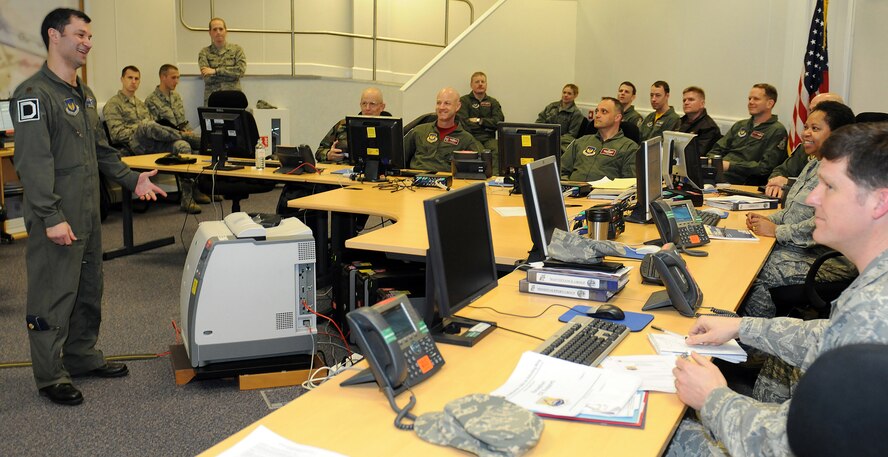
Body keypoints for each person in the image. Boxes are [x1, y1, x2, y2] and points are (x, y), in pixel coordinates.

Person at [666, 122, 888, 457]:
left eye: (829, 187)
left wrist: (714, 398)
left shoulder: (876, 308)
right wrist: (743, 326)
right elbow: (832, 339)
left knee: (658, 436)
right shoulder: (875, 285)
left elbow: (795, 446)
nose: (813, 198)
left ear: (879, 203)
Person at [12, 8, 167, 406]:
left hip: (87, 214)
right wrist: (50, 217)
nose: (87, 42)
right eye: (79, 35)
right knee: (52, 293)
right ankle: (50, 376)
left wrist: (133, 179)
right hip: (57, 217)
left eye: (90, 36)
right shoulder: (34, 95)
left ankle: (80, 356)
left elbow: (100, 150)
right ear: (54, 36)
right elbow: (33, 163)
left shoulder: (85, 93)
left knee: (87, 289)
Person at [740, 101, 856, 320]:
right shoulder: (814, 163)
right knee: (744, 258)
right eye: (806, 127)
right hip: (796, 249)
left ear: (838, 134)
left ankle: (758, 350)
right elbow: (790, 211)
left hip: (826, 260)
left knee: (753, 275)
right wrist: (764, 220)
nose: (806, 134)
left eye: (815, 128)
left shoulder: (845, 173)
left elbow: (825, 224)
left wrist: (776, 231)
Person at [103, 65, 203, 214]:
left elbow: (155, 129)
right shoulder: (113, 104)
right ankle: (194, 138)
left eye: (137, 78)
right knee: (146, 125)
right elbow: (116, 134)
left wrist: (148, 129)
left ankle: (187, 199)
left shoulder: (141, 105)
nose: (133, 82)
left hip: (151, 145)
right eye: (130, 78)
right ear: (122, 79)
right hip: (131, 147)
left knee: (182, 146)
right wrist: (140, 128)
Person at [764, 92, 845, 199]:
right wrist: (776, 184)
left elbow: (825, 189)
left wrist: (788, 183)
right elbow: (781, 171)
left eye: (818, 109)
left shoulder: (845, 156)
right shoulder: (806, 146)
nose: (812, 115)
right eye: (811, 110)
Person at [707, 83, 788, 185]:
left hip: (744, 180)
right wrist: (712, 161)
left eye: (756, 99)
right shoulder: (740, 125)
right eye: (749, 99)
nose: (751, 102)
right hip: (718, 173)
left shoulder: (777, 130)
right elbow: (717, 149)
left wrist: (730, 166)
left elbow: (765, 168)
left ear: (769, 103)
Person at [560, 97, 638, 182]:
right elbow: (561, 170)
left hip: (604, 193)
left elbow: (629, 182)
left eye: (604, 112)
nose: (597, 115)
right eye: (597, 111)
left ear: (617, 117)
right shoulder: (581, 142)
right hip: (572, 191)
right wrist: (566, 186)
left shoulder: (629, 148)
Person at [405, 87, 481, 172]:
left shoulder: (466, 140)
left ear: (457, 106)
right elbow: (397, 158)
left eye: (447, 103)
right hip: (414, 180)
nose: (441, 107)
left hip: (447, 182)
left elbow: (476, 170)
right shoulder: (419, 131)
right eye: (438, 103)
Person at [315, 87, 387, 163]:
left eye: (372, 104)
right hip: (341, 170)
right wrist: (328, 155)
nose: (367, 108)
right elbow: (319, 152)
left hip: (378, 171)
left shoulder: (389, 130)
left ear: (382, 107)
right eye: (364, 104)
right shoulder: (344, 125)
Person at [145, 63, 201, 150]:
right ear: (163, 77)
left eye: (178, 78)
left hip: (184, 135)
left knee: (208, 142)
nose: (177, 81)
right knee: (184, 146)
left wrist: (189, 132)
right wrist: (181, 134)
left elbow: (183, 122)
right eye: (173, 78)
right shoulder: (151, 101)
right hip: (167, 140)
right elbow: (157, 130)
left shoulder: (176, 97)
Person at [457, 72, 504, 167]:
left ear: (486, 85)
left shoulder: (493, 102)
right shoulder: (464, 101)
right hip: (471, 138)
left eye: (483, 81)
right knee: (479, 152)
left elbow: (499, 122)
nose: (480, 84)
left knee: (498, 150)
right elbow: (464, 123)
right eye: (477, 81)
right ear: (471, 85)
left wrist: (480, 121)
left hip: (489, 138)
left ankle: (494, 178)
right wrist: (488, 125)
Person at [198, 17, 246, 105]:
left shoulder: (237, 50)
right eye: (215, 29)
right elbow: (207, 78)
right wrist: (231, 74)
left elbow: (240, 71)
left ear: (226, 31)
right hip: (212, 99)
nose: (218, 32)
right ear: (210, 33)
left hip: (233, 98)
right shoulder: (204, 52)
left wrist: (215, 71)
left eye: (221, 29)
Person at [536, 83, 584, 153]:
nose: (565, 95)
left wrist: (554, 139)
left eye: (569, 93)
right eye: (564, 92)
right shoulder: (551, 106)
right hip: (545, 138)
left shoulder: (576, 114)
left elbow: (571, 135)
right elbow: (539, 122)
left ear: (575, 95)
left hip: (562, 143)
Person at [678, 86, 721, 156]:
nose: (686, 103)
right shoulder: (680, 121)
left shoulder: (709, 128)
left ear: (702, 104)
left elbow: (698, 154)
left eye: (691, 100)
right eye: (684, 100)